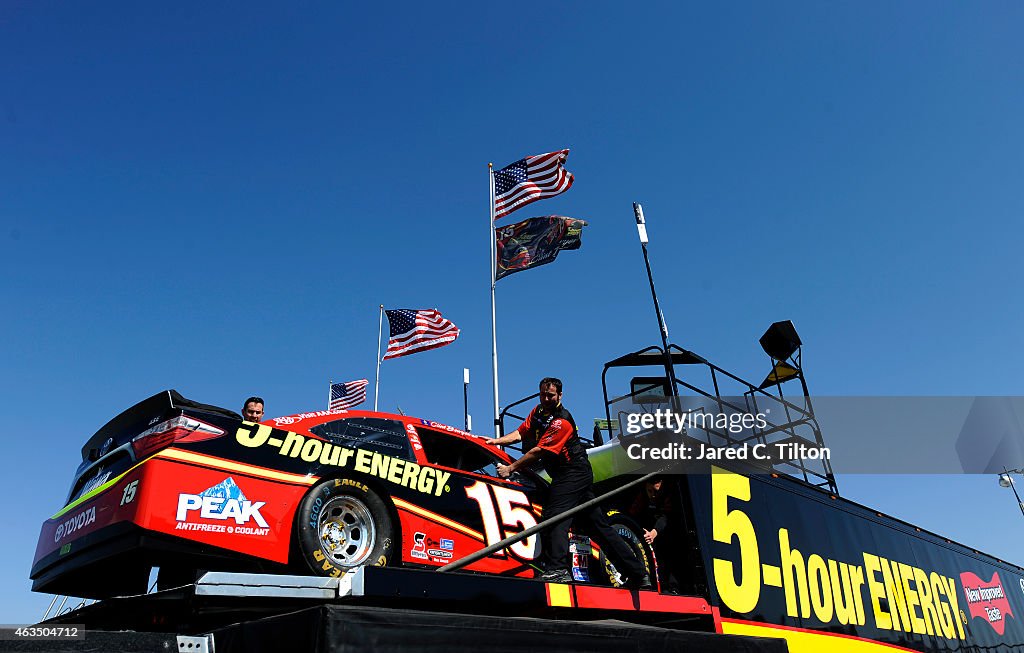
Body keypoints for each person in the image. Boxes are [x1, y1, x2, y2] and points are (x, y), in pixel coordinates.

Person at [485, 378, 651, 589]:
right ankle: (638, 573)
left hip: (573, 473)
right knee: (597, 527)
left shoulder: (561, 421)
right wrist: (495, 441)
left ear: (560, 396)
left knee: (555, 516)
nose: (546, 399)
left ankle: (558, 570)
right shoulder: (537, 411)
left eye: (551, 396)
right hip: (565, 475)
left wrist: (511, 468)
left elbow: (538, 452)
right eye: (543, 395)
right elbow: (521, 433)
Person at [626, 476, 683, 594]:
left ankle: (673, 588)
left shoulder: (668, 496)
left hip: (667, 534)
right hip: (648, 534)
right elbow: (631, 515)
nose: (652, 495)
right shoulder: (642, 497)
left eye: (655, 492)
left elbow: (667, 517)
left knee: (668, 555)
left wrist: (654, 532)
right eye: (649, 491)